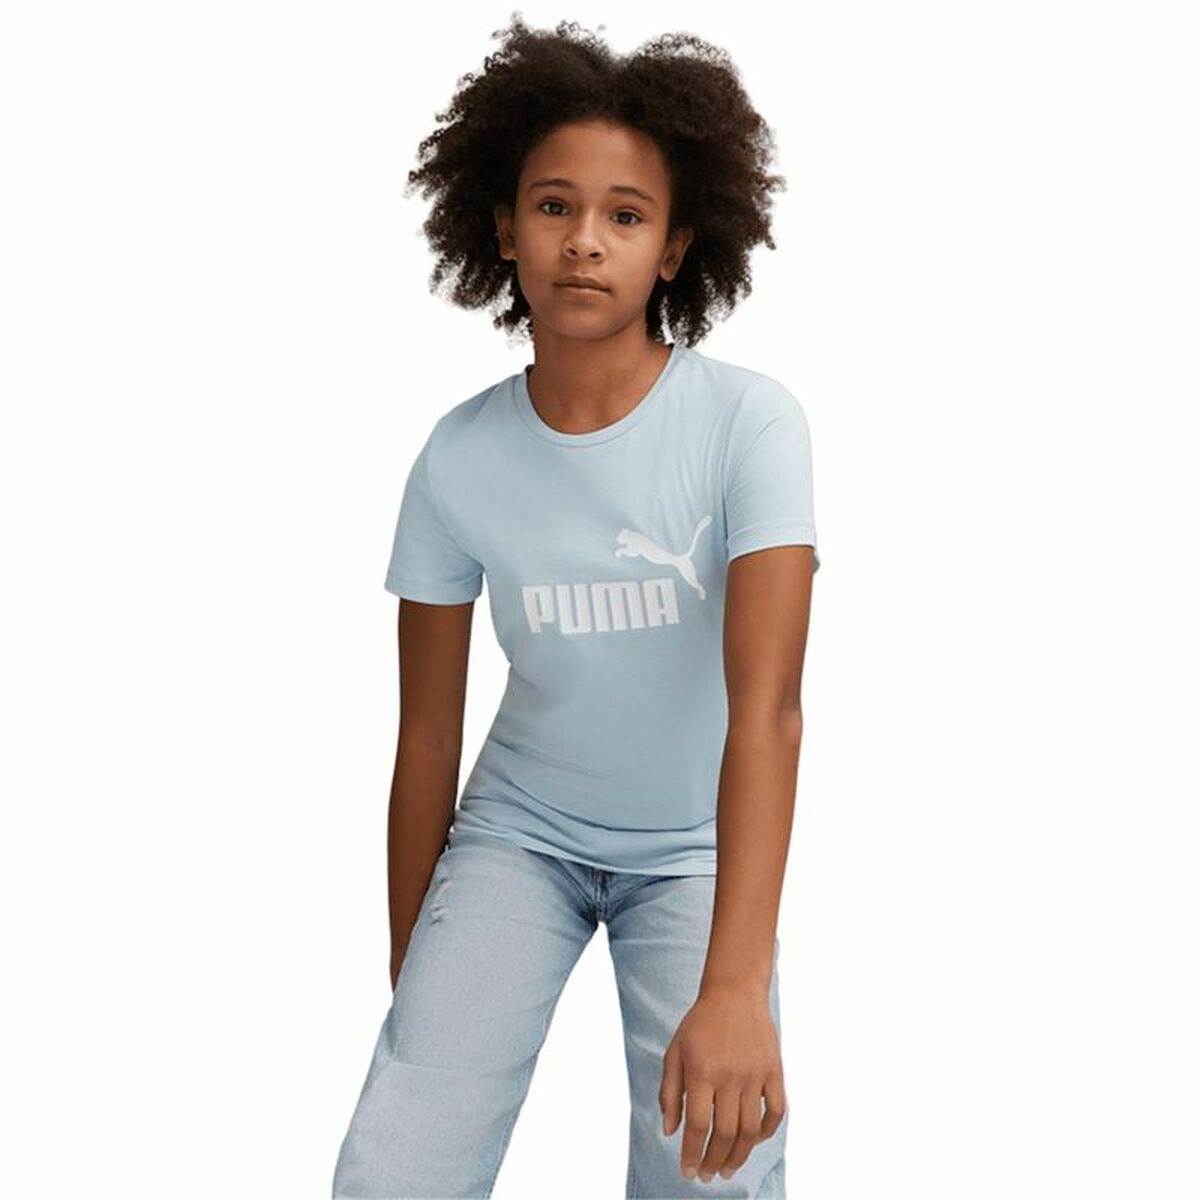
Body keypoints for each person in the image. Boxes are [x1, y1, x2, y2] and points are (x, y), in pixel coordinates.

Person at [332, 16, 820, 1199]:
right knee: (394, 1174)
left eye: (626, 215)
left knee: (715, 1167)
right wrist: (422, 984)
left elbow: (768, 713)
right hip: (522, 836)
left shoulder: (748, 426)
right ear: (502, 228)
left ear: (676, 246)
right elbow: (426, 739)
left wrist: (735, 988)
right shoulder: (457, 458)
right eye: (553, 207)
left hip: (697, 844)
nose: (585, 241)